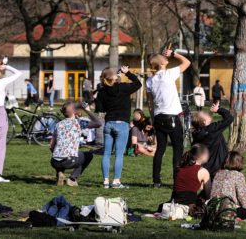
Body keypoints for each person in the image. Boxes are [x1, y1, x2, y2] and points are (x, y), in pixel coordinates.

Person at [147, 47, 191, 188]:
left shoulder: (150, 81)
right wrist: (174, 54)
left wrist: (153, 118)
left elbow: (150, 103)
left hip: (159, 117)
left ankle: (156, 181)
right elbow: (187, 62)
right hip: (172, 117)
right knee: (178, 149)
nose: (167, 59)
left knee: (160, 149)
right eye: (164, 58)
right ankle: (177, 180)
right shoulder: (169, 74)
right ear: (161, 63)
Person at [95, 65, 142, 189]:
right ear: (114, 77)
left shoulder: (102, 91)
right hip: (122, 124)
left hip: (109, 123)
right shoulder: (123, 88)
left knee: (106, 154)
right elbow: (138, 83)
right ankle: (116, 181)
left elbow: (100, 109)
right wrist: (128, 73)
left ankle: (105, 181)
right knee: (119, 154)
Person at [50, 101, 102, 186]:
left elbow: (51, 146)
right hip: (69, 160)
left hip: (54, 161)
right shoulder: (79, 123)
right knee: (89, 155)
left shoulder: (58, 124)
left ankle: (59, 173)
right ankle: (72, 179)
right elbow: (98, 123)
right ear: (74, 111)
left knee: (61, 155)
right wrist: (86, 110)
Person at [210, 151, 246, 220]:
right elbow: (244, 203)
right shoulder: (238, 175)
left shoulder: (218, 173)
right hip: (227, 211)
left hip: (213, 210)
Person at [191, 102, 234, 175]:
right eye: (205, 114)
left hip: (205, 168)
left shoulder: (196, 133)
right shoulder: (213, 129)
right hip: (219, 167)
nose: (207, 114)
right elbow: (229, 118)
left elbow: (206, 124)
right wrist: (218, 110)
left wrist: (211, 111)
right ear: (204, 122)